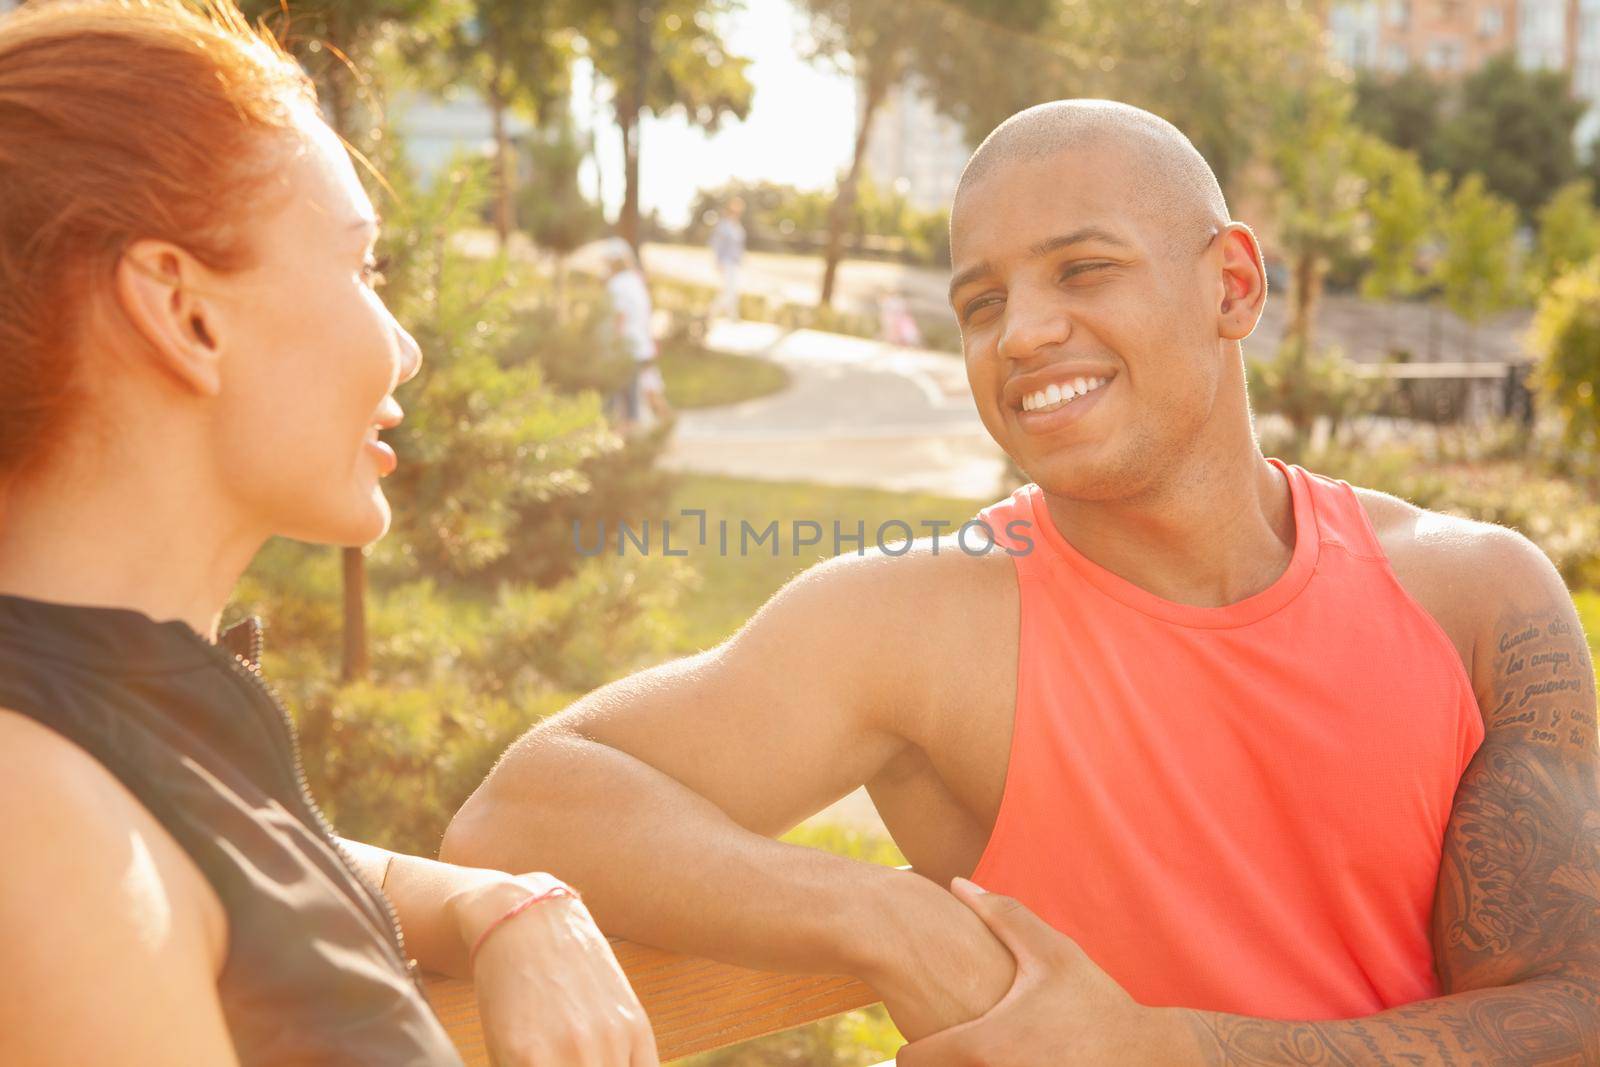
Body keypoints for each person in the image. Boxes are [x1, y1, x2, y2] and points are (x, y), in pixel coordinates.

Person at [443, 100, 1600, 1062]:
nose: (1024, 333)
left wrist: (1158, 1048)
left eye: (1082, 270)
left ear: (1233, 285)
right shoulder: (919, 619)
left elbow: (1571, 1008)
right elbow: (521, 809)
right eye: (981, 302)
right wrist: (879, 912)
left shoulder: (1475, 595)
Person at [0, 3, 657, 1064]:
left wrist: (503, 900)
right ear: (183, 311)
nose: (403, 349)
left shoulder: (122, 726)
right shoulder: (47, 831)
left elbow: (256, 850)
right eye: (362, 268)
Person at [601, 237, 669, 430]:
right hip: (643, 346)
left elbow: (620, 316)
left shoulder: (617, 284)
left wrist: (613, 346)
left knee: (624, 400)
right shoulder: (636, 281)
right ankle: (666, 428)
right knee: (651, 388)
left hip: (626, 349)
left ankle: (625, 438)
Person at [707, 196, 746, 320]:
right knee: (729, 291)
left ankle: (729, 315)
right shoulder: (723, 225)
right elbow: (716, 244)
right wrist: (718, 262)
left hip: (735, 262)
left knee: (731, 290)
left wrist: (742, 259)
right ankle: (713, 314)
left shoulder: (738, 226)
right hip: (725, 262)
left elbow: (739, 246)